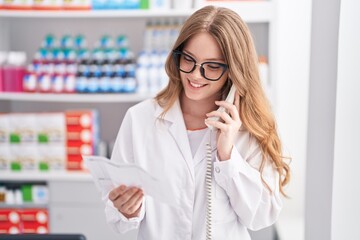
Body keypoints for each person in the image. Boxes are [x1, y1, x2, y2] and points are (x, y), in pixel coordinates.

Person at [105, 5, 290, 240]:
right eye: (189, 59)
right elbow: (117, 219)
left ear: (233, 71)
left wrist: (227, 156)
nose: (195, 75)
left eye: (212, 66)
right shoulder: (139, 118)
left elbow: (262, 217)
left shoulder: (250, 128)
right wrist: (126, 210)